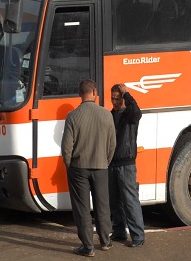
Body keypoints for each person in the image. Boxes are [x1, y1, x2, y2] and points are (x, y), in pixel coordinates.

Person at [61, 79, 116, 257]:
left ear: (80, 93)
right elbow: (112, 144)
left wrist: (69, 164)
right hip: (101, 166)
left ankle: (88, 246)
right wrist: (105, 161)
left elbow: (66, 147)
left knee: (82, 208)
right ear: (94, 92)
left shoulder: (72, 116)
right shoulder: (106, 114)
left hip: (79, 167)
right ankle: (105, 240)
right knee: (102, 204)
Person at [108, 84, 146, 248]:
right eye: (113, 98)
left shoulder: (130, 115)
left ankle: (138, 236)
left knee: (130, 200)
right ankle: (119, 232)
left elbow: (137, 112)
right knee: (114, 201)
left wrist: (127, 93)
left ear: (123, 98)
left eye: (118, 98)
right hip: (112, 163)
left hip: (126, 163)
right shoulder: (110, 115)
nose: (115, 102)